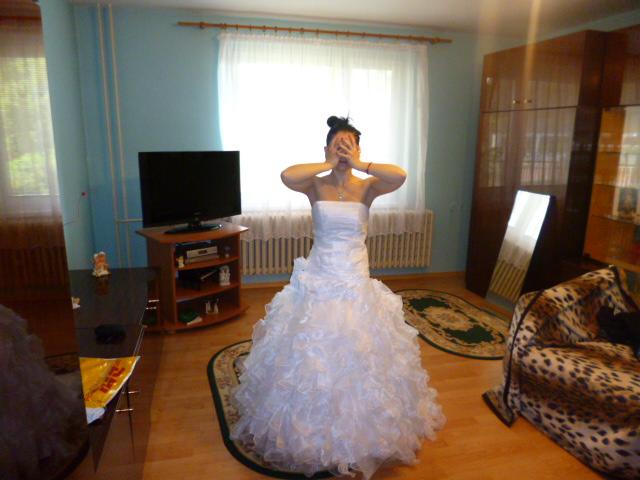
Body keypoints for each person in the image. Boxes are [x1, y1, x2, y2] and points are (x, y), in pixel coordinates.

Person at [230, 116, 445, 479]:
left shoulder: (368, 187)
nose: (343, 150)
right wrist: (328, 162)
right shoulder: (315, 184)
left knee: (362, 351)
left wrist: (359, 164)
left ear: (358, 149)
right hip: (319, 278)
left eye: (350, 144)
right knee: (310, 355)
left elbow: (400, 176)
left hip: (355, 280)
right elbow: (287, 175)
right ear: (327, 148)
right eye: (337, 144)